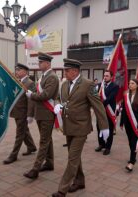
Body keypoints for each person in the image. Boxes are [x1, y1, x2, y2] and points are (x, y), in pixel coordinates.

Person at [51, 58, 109, 197]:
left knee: (72, 158)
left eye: (67, 70)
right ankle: (80, 181)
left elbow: (98, 105)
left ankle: (62, 190)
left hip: (81, 127)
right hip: (68, 126)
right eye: (65, 70)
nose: (65, 72)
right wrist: (58, 105)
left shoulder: (88, 84)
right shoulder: (64, 84)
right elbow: (61, 98)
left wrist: (104, 127)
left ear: (75, 71)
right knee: (74, 155)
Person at [24, 52, 59, 179]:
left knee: (44, 141)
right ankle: (49, 163)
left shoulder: (52, 77)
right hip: (41, 113)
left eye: (41, 62)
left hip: (47, 114)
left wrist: (31, 95)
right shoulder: (43, 76)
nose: (39, 64)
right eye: (39, 62)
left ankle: (35, 169)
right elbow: (39, 94)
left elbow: (46, 95)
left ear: (48, 63)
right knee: (47, 139)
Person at [3, 63, 37, 165]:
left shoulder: (29, 82)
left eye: (19, 70)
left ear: (25, 72)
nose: (17, 72)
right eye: (16, 70)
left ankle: (13, 155)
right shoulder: (18, 81)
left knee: (19, 134)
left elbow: (31, 100)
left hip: (23, 112)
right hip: (16, 111)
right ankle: (31, 147)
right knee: (24, 130)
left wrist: (30, 115)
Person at [120, 79, 138, 172]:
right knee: (130, 141)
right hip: (127, 123)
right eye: (129, 83)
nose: (130, 85)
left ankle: (132, 162)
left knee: (134, 142)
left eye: (132, 83)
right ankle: (133, 155)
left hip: (136, 124)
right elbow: (124, 110)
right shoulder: (126, 96)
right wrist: (121, 122)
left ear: (137, 85)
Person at [95, 70, 119, 155]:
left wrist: (100, 104)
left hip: (109, 111)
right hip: (100, 111)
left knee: (109, 129)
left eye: (107, 76)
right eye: (104, 76)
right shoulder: (99, 85)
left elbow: (110, 98)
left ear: (111, 77)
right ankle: (101, 144)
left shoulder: (115, 86)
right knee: (99, 127)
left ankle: (108, 147)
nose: (105, 77)